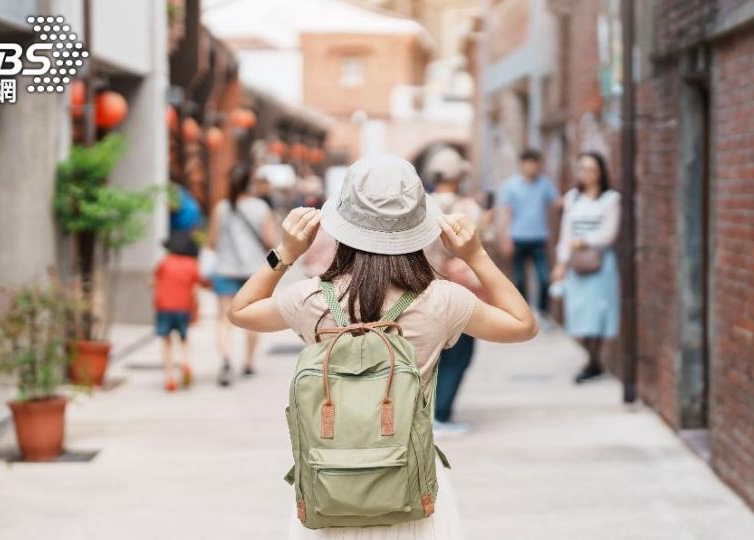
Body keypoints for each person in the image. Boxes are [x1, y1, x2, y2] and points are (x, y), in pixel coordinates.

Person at [227, 154, 538, 538]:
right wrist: (476, 256)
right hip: (410, 490)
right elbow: (523, 325)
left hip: (330, 489)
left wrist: (285, 253)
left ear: (341, 224)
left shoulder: (313, 300)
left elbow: (240, 311)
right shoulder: (441, 300)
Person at [423, 146, 484, 433]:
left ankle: (427, 412)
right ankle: (442, 413)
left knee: (429, 353)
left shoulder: (419, 207)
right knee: (460, 350)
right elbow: (479, 245)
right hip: (458, 291)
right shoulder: (467, 208)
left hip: (422, 289)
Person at [551, 151, 621, 384]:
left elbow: (610, 234)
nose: (587, 174)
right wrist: (561, 264)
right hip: (576, 265)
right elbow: (565, 234)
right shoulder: (573, 198)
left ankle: (594, 362)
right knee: (580, 312)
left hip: (600, 264)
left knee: (598, 312)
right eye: (582, 169)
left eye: (592, 169)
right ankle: (592, 361)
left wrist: (586, 241)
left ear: (601, 171)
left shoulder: (611, 199)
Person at [207, 162, 277, 385]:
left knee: (223, 320)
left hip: (225, 268)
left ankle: (227, 359)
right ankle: (248, 364)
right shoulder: (261, 208)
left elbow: (212, 241)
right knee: (253, 319)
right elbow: (270, 241)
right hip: (254, 272)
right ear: (251, 184)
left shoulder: (222, 208)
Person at [498, 149, 559, 321]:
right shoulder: (510, 185)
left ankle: (542, 313)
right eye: (529, 162)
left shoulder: (545, 184)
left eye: (536, 163)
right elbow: (507, 213)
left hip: (539, 238)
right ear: (522, 164)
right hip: (517, 238)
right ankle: (523, 315)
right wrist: (506, 237)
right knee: (519, 280)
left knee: (544, 278)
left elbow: (557, 204)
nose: (533, 167)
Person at [152, 231, 205, 392]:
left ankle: (170, 377)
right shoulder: (192, 265)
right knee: (184, 339)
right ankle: (186, 363)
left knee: (167, 341)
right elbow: (196, 288)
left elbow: (153, 282)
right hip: (183, 308)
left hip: (164, 308)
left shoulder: (164, 263)